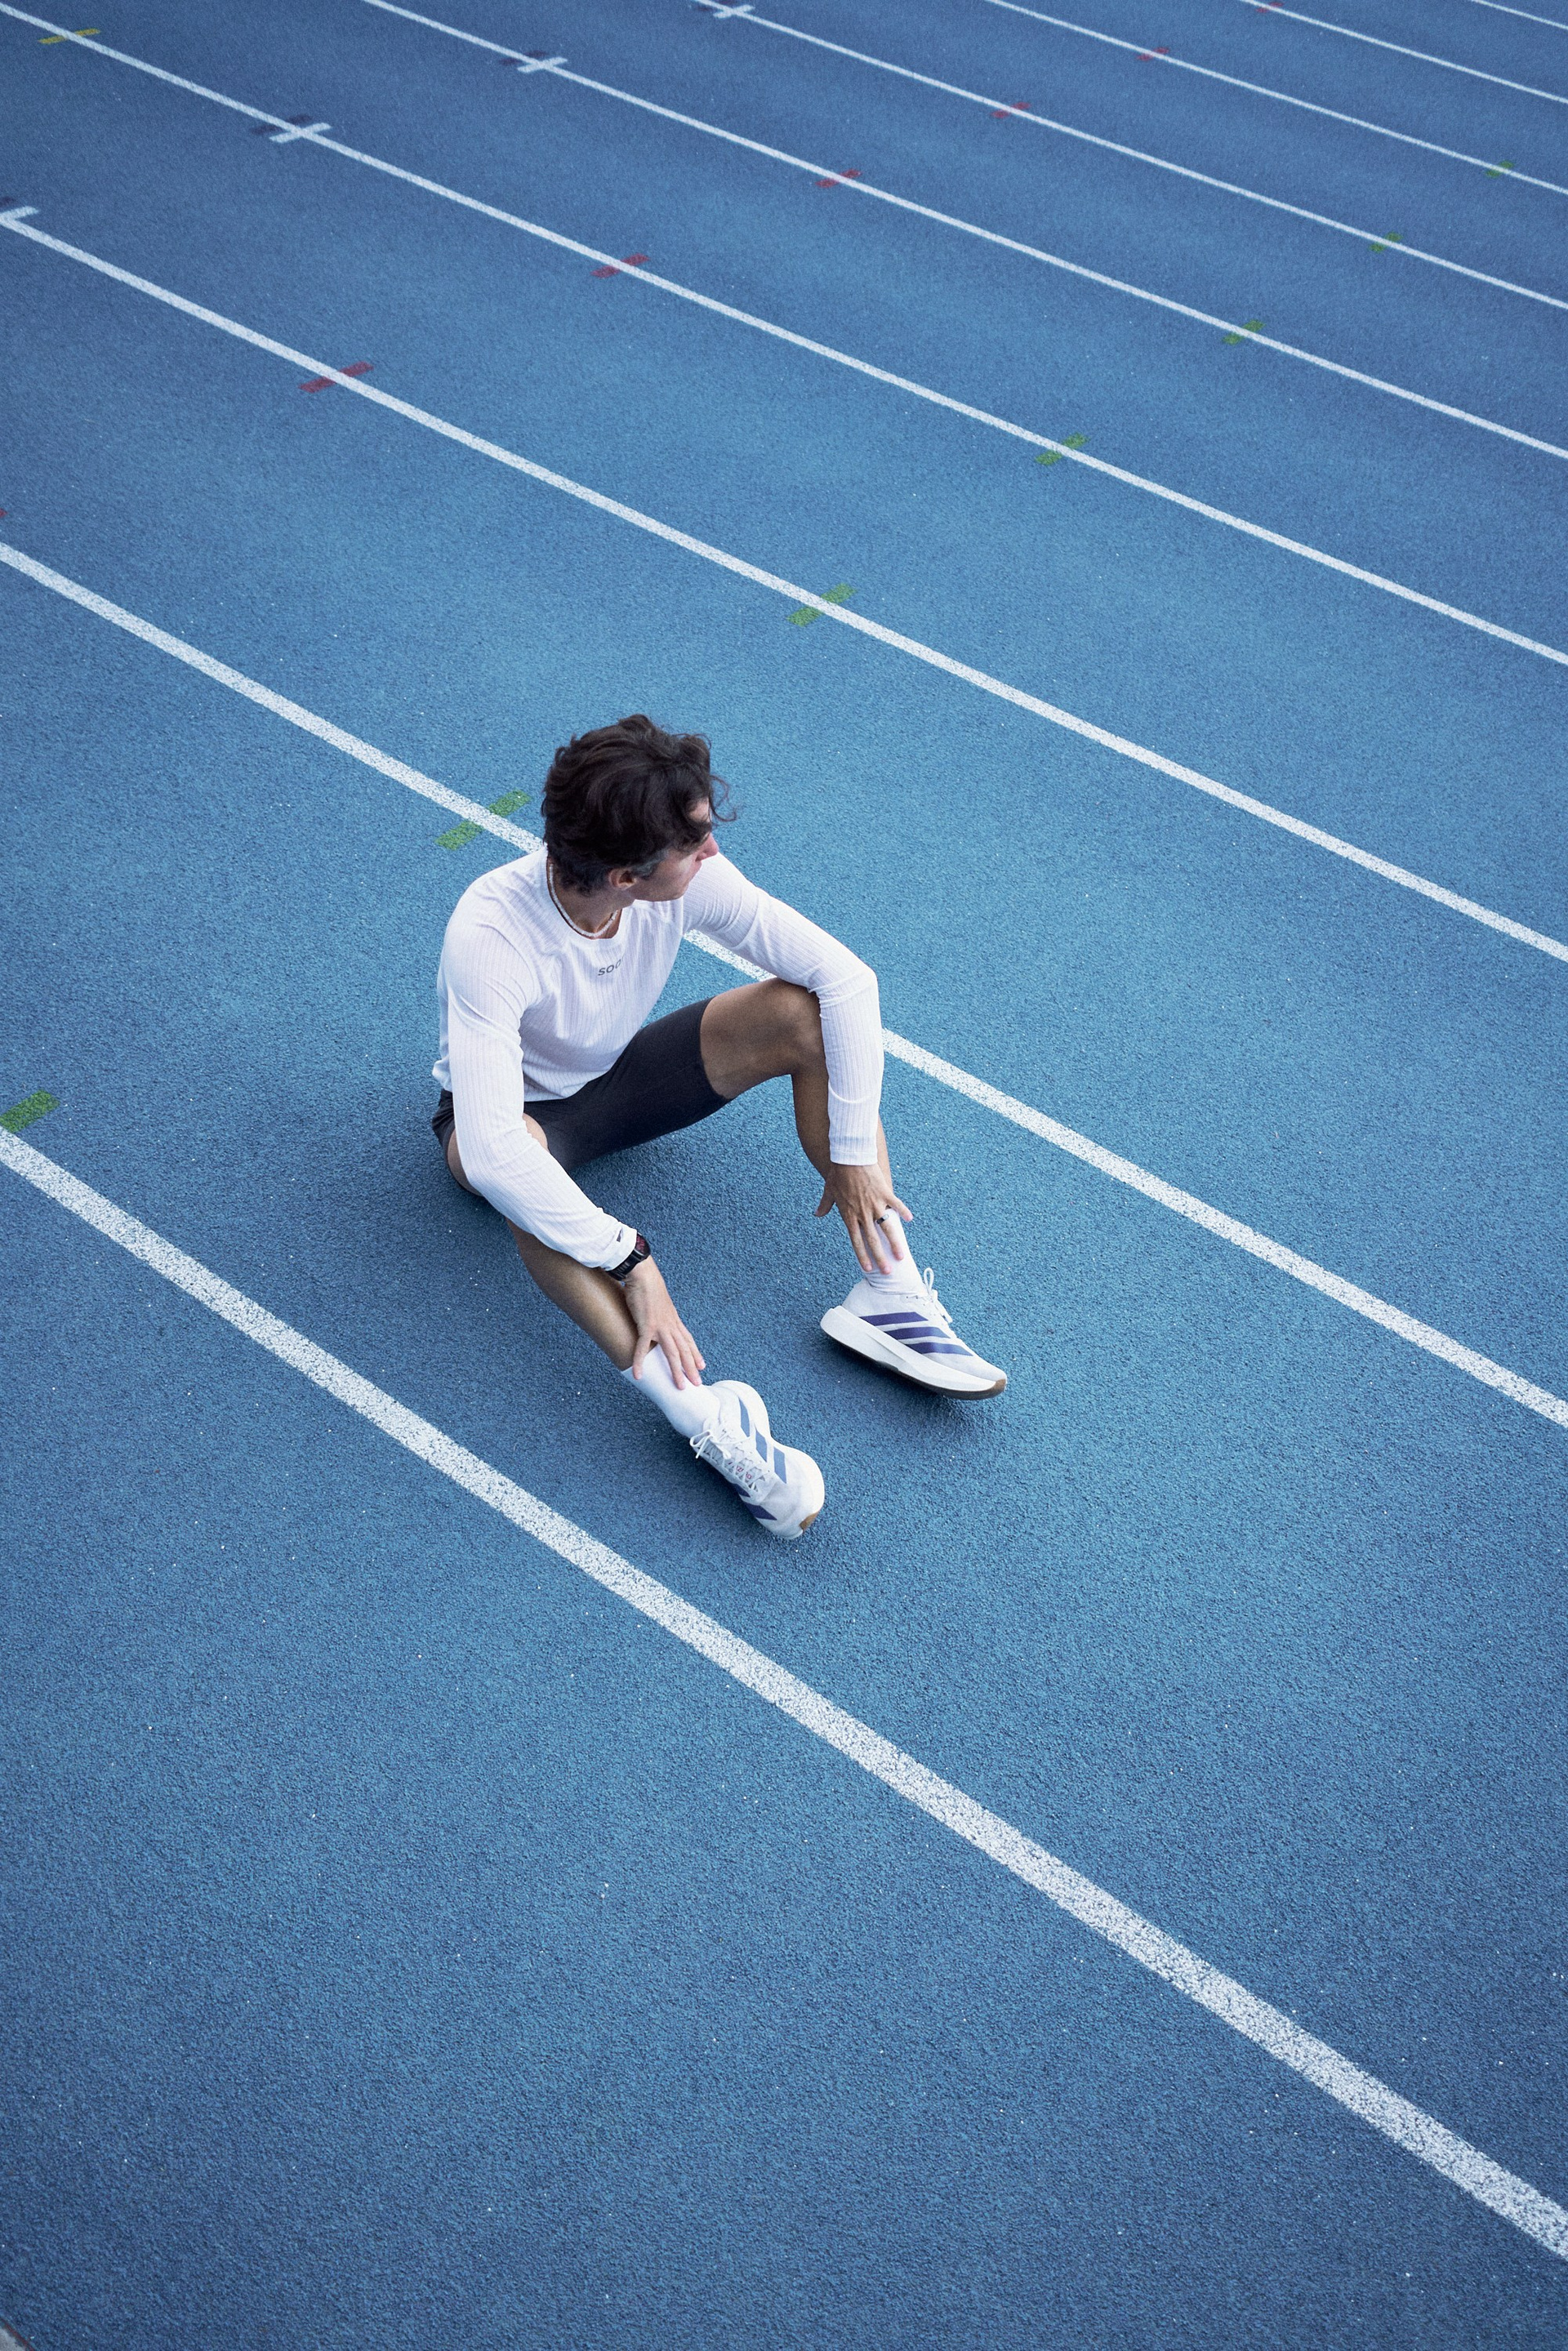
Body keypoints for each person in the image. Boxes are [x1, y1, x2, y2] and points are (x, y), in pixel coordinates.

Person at [432, 715, 1004, 1538]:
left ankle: (889, 1292)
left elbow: (846, 981)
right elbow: (490, 1153)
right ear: (626, 875)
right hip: (508, 1122)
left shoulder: (687, 880)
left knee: (799, 1013)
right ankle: (695, 1410)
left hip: (616, 1078)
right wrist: (631, 1258)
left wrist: (852, 1154)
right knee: (524, 1168)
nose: (712, 850)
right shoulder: (491, 934)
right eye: (694, 842)